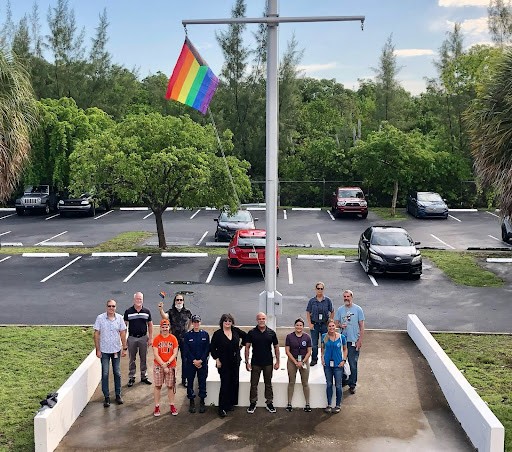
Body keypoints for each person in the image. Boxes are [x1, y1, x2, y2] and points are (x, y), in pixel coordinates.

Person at [210, 313, 247, 418]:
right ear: (222, 322)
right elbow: (212, 348)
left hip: (235, 361)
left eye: (229, 321)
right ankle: (222, 407)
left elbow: (246, 336)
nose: (227, 323)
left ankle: (230, 404)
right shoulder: (218, 334)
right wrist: (217, 359)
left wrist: (241, 346)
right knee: (225, 384)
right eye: (225, 321)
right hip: (223, 363)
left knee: (234, 382)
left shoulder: (235, 331)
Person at [93, 299, 127, 407]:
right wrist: (97, 349)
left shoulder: (120, 318)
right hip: (104, 351)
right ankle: (106, 397)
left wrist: (124, 348)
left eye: (113, 306)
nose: (111, 308)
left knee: (117, 373)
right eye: (109, 306)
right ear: (106, 307)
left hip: (116, 350)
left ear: (115, 307)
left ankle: (118, 395)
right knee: (105, 373)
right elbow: (96, 334)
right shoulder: (100, 318)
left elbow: (122, 333)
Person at [245, 312, 279, 414]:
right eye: (259, 319)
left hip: (268, 362)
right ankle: (252, 403)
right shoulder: (251, 333)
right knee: (253, 384)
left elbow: (276, 347)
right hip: (255, 363)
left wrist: (278, 361)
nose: (261, 320)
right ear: (257, 320)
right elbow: (247, 347)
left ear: (266, 320)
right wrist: (247, 362)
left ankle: (269, 403)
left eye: (263, 318)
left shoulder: (271, 333)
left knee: (268, 384)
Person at [334, 289, 365, 394]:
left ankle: (352, 384)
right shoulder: (340, 310)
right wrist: (340, 325)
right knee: (341, 362)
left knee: (352, 363)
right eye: (345, 297)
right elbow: (336, 323)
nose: (346, 298)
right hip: (342, 341)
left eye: (348, 296)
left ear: (352, 297)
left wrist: (359, 340)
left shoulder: (358, 309)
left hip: (353, 341)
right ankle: (344, 380)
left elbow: (361, 326)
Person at [158, 293, 192, 386]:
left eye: (181, 300)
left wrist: (188, 329)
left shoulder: (187, 311)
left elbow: (190, 321)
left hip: (184, 340)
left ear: (183, 301)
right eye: (177, 300)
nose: (179, 301)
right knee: (173, 360)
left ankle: (184, 380)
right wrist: (161, 310)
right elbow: (165, 317)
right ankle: (172, 379)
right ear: (175, 301)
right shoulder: (171, 311)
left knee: (185, 360)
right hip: (173, 340)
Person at [123, 292, 153, 387]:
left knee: (143, 358)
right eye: (137, 299)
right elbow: (124, 326)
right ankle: (132, 377)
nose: (139, 301)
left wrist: (150, 338)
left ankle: (144, 376)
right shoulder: (128, 311)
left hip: (143, 338)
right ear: (134, 299)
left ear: (142, 300)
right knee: (132, 358)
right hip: (132, 338)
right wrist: (124, 341)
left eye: (140, 299)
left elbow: (150, 324)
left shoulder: (146, 311)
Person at [182, 314, 210, 414]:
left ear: (200, 322)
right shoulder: (188, 335)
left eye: (198, 322)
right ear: (192, 323)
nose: (196, 324)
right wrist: (194, 361)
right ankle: (192, 401)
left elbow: (207, 349)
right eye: (194, 322)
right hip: (191, 363)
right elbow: (186, 350)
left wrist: (201, 360)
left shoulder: (205, 335)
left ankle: (202, 401)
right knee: (190, 382)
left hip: (202, 363)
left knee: (202, 382)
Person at [152, 318, 179, 417]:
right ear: (160, 328)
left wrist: (167, 363)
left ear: (169, 327)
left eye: (166, 327)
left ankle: (172, 405)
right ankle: (157, 406)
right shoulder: (157, 339)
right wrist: (163, 365)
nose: (165, 329)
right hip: (159, 366)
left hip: (171, 365)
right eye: (163, 327)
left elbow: (175, 353)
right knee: (158, 386)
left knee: (170, 386)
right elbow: (156, 354)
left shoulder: (173, 338)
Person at [285, 318, 312, 412]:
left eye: (300, 325)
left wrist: (303, 362)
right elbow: (287, 351)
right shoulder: (289, 336)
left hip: (304, 362)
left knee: (305, 383)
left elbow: (309, 352)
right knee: (291, 382)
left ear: (303, 327)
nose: (299, 327)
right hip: (292, 362)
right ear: (294, 326)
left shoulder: (307, 337)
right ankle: (289, 403)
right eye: (297, 325)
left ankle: (307, 404)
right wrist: (295, 362)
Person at [321, 320, 347, 414]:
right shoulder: (324, 336)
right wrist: (322, 358)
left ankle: (338, 404)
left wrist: (343, 360)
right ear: (327, 327)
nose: (331, 328)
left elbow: (345, 349)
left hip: (338, 365)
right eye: (329, 326)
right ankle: (329, 404)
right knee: (329, 384)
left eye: (333, 326)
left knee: (338, 385)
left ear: (335, 326)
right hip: (327, 365)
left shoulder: (341, 337)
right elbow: (323, 348)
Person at [306, 281, 334, 366]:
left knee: (325, 342)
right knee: (314, 344)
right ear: (315, 289)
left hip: (324, 325)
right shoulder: (312, 301)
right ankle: (314, 359)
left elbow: (332, 311)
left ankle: (325, 358)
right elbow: (308, 312)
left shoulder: (327, 300)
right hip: (315, 325)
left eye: (321, 289)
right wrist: (310, 324)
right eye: (318, 288)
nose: (320, 290)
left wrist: (330, 321)